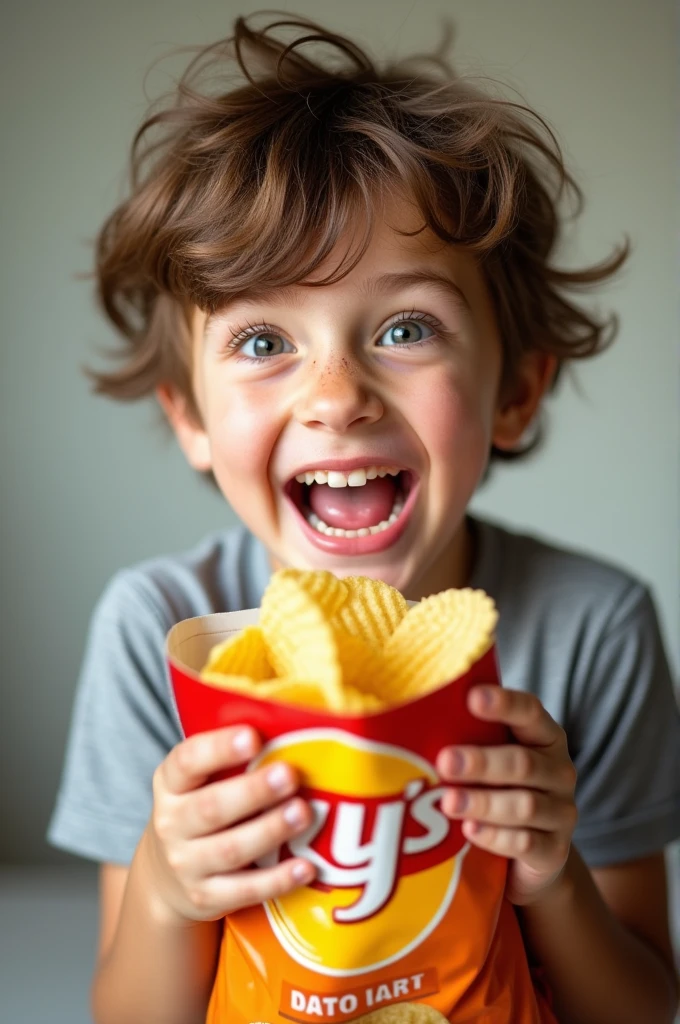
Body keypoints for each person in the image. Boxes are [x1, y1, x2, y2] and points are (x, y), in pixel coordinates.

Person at [48, 13, 680, 1024]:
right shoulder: (159, 629)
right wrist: (169, 886)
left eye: (404, 327)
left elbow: (642, 1007)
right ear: (192, 419)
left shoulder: (589, 627)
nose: (335, 396)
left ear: (514, 390)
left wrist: (552, 878)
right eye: (262, 339)